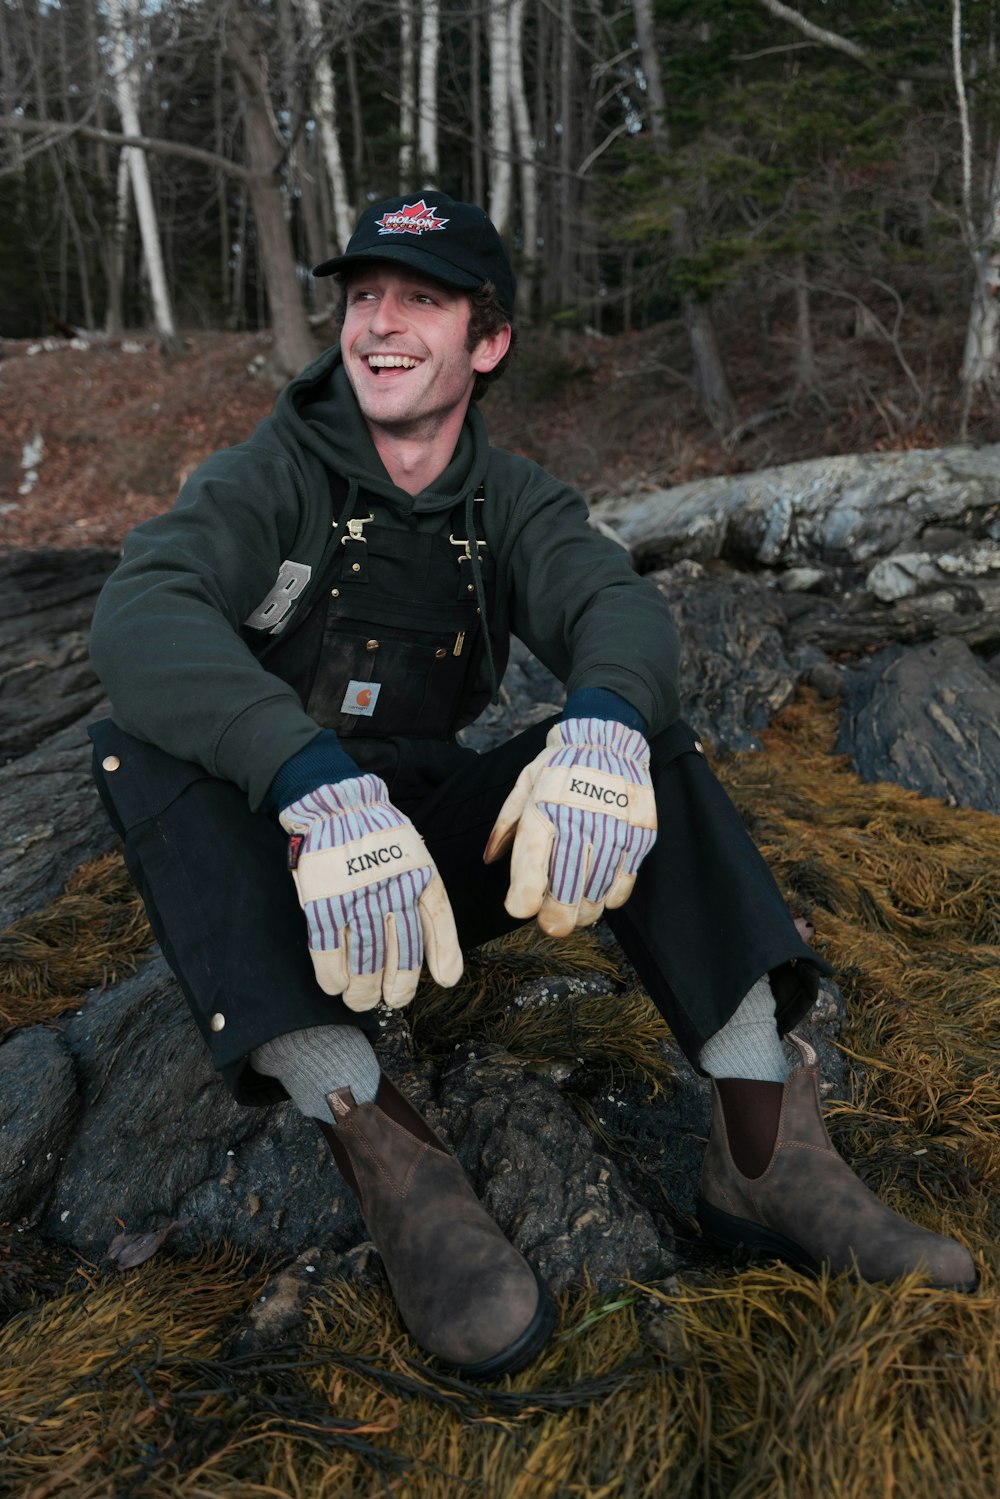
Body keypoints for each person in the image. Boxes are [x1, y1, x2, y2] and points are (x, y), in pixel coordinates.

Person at [88, 193, 975, 1380]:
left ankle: (763, 1143)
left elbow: (612, 603)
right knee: (135, 748)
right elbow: (143, 612)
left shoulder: (513, 504)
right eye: (363, 298)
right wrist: (309, 785)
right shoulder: (274, 475)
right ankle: (379, 1134)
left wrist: (601, 732)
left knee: (635, 739)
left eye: (421, 299)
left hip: (434, 854)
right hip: (283, 859)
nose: (380, 324)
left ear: (487, 342)